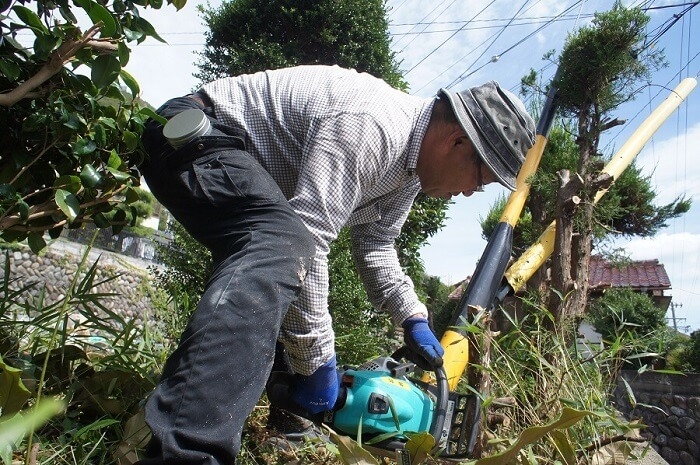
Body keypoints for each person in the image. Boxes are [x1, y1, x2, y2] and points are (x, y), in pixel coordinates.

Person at [137, 64, 535, 465]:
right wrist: (317, 360)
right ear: (457, 140)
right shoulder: (374, 126)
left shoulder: (409, 173)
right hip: (195, 136)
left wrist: (412, 317)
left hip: (226, 159)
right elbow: (309, 238)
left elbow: (377, 245)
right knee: (284, 245)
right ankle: (185, 453)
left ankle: (285, 429)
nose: (470, 192)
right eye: (479, 179)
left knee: (282, 268)